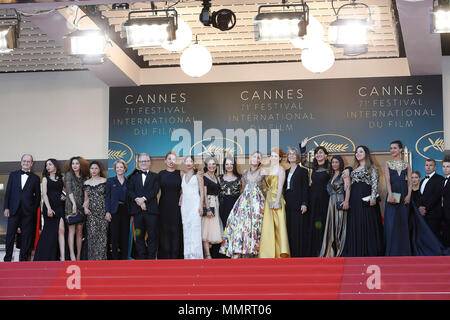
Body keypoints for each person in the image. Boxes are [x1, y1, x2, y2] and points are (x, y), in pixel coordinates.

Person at [220, 151, 265, 258]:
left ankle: (254, 251)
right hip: (244, 201)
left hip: (257, 201)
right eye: (253, 156)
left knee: (255, 225)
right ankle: (239, 249)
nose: (255, 159)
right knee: (240, 225)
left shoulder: (263, 171)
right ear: (250, 158)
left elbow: (265, 187)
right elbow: (243, 188)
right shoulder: (245, 172)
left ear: (260, 161)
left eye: (258, 157)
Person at [343, 145, 384, 257]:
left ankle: (369, 250)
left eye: (360, 151)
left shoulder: (372, 167)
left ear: (366, 153)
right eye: (356, 152)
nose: (358, 153)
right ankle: (357, 250)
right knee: (356, 223)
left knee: (367, 222)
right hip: (354, 200)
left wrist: (373, 197)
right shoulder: (353, 169)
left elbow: (375, 183)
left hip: (366, 199)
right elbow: (349, 186)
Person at [3, 154, 41, 262]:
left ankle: (23, 260)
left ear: (32, 164)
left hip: (27, 212)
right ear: (21, 162)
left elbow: (37, 198)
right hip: (13, 210)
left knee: (26, 236)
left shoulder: (35, 178)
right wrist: (6, 208)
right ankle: (7, 259)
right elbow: (8, 193)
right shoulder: (13, 175)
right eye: (24, 161)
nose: (26, 163)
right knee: (10, 235)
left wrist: (32, 210)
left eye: (28, 162)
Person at [299, 137, 331, 257]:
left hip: (325, 199)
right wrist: (303, 148)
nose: (318, 155)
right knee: (314, 223)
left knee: (323, 222)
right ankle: (315, 249)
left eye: (321, 152)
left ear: (326, 155)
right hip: (313, 199)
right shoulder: (314, 166)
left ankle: (324, 249)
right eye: (317, 153)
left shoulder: (330, 167)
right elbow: (303, 162)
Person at [127, 153, 160, 259]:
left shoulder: (155, 176)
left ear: (149, 162)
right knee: (139, 235)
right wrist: (138, 200)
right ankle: (142, 258)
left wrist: (143, 199)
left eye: (146, 161)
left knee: (152, 236)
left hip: (152, 212)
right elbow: (130, 191)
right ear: (138, 163)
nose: (144, 163)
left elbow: (155, 190)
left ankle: (151, 259)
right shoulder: (133, 177)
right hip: (137, 213)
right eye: (141, 161)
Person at [259, 147, 290, 258]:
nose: (273, 158)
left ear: (280, 158)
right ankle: (267, 254)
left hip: (277, 198)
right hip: (268, 199)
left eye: (276, 156)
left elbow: (281, 186)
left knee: (279, 225)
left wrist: (277, 201)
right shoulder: (267, 169)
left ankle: (280, 253)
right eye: (272, 156)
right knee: (268, 226)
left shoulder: (281, 170)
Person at [383, 140, 412, 256]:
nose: (392, 150)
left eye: (394, 148)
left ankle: (404, 252)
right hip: (393, 194)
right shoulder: (388, 163)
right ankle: (392, 252)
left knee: (403, 222)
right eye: (391, 148)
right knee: (391, 223)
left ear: (400, 149)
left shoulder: (406, 164)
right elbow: (387, 181)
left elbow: (410, 181)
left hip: (404, 194)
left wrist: (409, 195)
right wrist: (390, 194)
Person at [34, 159, 65, 261]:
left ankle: (62, 256)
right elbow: (45, 194)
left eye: (50, 164)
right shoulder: (45, 179)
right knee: (49, 232)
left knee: (61, 230)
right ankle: (44, 256)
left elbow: (67, 191)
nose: (47, 166)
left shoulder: (61, 178)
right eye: (46, 165)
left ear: (55, 166)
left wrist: (64, 196)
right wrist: (49, 208)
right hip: (49, 206)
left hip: (59, 206)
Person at [320, 155, 350, 257]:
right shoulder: (331, 175)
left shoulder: (344, 174)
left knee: (339, 226)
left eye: (336, 162)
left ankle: (340, 251)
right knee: (332, 226)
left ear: (340, 163)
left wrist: (346, 201)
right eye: (333, 162)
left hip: (340, 200)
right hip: (331, 202)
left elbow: (348, 188)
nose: (334, 164)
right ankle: (331, 251)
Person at [284, 147, 309, 257]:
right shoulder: (285, 171)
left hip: (298, 202)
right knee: (289, 227)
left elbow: (305, 188)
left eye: (294, 154)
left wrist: (304, 203)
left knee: (298, 228)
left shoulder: (303, 171)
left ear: (297, 157)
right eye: (289, 154)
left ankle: (299, 254)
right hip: (288, 202)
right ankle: (291, 253)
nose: (291, 156)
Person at [158, 151, 183, 259]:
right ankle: (165, 256)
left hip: (177, 206)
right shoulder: (160, 174)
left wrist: (182, 195)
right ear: (165, 161)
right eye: (169, 159)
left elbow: (188, 187)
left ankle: (176, 256)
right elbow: (153, 191)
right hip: (163, 206)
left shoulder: (181, 173)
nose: (171, 161)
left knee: (176, 230)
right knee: (164, 230)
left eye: (173, 159)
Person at [64, 156, 89, 261]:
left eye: (77, 163)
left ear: (81, 165)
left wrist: (85, 204)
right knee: (71, 231)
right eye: (73, 163)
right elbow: (68, 190)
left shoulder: (84, 177)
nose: (74, 165)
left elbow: (86, 192)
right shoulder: (69, 175)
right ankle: (72, 255)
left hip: (82, 206)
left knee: (80, 231)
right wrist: (73, 203)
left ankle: (78, 255)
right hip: (71, 205)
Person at [180, 156, 204, 259]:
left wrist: (201, 206)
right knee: (186, 228)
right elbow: (182, 191)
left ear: (194, 163)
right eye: (187, 161)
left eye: (191, 161)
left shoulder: (198, 175)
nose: (189, 163)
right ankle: (188, 255)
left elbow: (202, 192)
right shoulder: (182, 175)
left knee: (195, 229)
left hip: (195, 205)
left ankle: (196, 255)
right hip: (185, 206)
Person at [83, 161, 107, 260]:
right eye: (92, 168)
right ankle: (92, 261)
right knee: (92, 237)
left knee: (102, 237)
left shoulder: (105, 181)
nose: (94, 170)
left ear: (99, 169)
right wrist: (85, 208)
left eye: (96, 168)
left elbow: (108, 197)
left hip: (102, 212)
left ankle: (102, 261)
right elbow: (86, 198)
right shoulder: (86, 183)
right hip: (91, 213)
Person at [105, 159, 130, 260]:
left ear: (125, 169)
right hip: (114, 211)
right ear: (115, 169)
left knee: (125, 235)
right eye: (117, 167)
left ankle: (124, 258)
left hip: (126, 210)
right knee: (114, 235)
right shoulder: (110, 181)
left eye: (121, 167)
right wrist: (107, 211)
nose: (120, 169)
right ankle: (115, 258)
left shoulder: (129, 181)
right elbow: (107, 197)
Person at [417, 158, 445, 241]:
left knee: (434, 237)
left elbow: (436, 197)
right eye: (426, 165)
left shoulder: (440, 179)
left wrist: (425, 208)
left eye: (431, 165)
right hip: (423, 215)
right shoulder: (422, 181)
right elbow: (420, 196)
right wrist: (419, 207)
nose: (428, 167)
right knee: (425, 238)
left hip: (434, 214)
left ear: (435, 167)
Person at [202, 156, 224, 259]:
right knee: (206, 229)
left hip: (216, 204)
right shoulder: (203, 176)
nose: (212, 166)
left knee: (212, 229)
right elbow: (204, 194)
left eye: (213, 164)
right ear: (206, 165)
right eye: (209, 164)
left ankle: (211, 253)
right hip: (209, 203)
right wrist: (208, 208)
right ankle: (207, 254)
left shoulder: (216, 177)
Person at [218, 157, 242, 230]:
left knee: (234, 227)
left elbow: (242, 192)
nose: (229, 166)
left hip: (235, 206)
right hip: (222, 206)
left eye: (231, 164)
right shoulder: (219, 178)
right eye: (227, 164)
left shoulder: (240, 178)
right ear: (224, 166)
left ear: (234, 165)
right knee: (223, 226)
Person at [441, 156, 450, 247]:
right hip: (444, 212)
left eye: (448, 166)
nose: (445, 169)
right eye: (444, 166)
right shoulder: (442, 180)